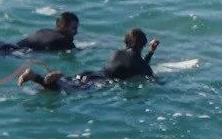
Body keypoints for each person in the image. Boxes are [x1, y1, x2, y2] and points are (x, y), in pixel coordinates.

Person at [12, 28, 159, 93]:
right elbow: (148, 72)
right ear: (143, 45)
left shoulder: (118, 53)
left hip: (92, 74)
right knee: (67, 91)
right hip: (102, 82)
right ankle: (39, 77)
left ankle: (34, 76)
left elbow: (136, 60)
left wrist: (149, 52)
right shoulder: (140, 64)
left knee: (65, 85)